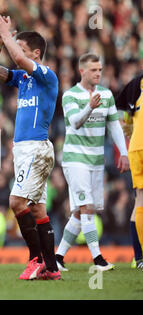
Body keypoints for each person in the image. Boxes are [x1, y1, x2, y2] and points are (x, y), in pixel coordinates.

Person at [0, 13, 60, 280]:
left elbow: (17, 58)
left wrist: (7, 35)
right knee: (38, 209)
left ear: (36, 54)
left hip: (36, 148)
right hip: (23, 150)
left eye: (24, 49)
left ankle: (36, 259)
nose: (18, 52)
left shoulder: (46, 76)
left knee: (16, 202)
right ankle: (51, 268)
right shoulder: (22, 79)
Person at [55, 53, 129, 272]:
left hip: (96, 160)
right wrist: (89, 107)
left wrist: (123, 153)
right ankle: (98, 260)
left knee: (80, 212)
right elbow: (75, 122)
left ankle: (58, 258)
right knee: (86, 207)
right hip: (75, 159)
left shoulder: (106, 95)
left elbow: (114, 126)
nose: (98, 73)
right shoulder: (70, 95)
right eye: (94, 70)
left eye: (100, 69)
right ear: (82, 71)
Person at [115, 72, 143, 270]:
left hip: (135, 147)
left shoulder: (136, 84)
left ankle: (139, 258)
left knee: (140, 201)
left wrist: (130, 129)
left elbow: (122, 115)